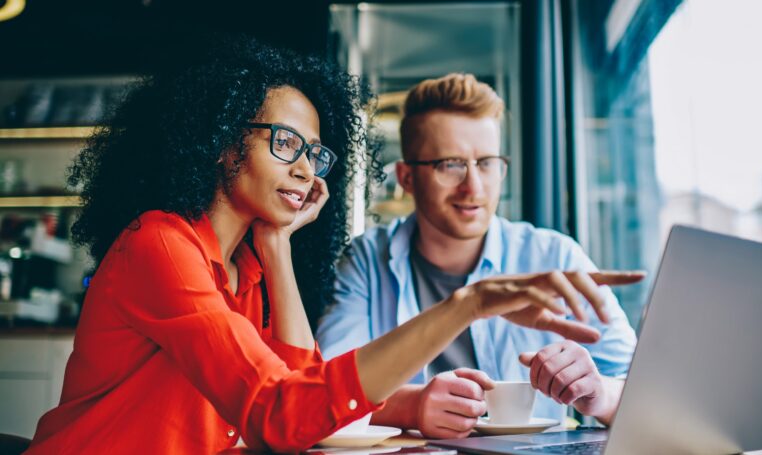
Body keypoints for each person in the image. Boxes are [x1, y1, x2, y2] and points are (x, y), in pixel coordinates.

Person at [23, 39, 640, 454]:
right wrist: (468, 305)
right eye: (285, 143)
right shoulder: (160, 244)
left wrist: (276, 246)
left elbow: (302, 394)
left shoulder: (247, 269)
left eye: (314, 153)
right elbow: (280, 413)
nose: (305, 169)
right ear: (221, 141)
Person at [316, 73, 640, 439]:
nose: (473, 187)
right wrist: (411, 406)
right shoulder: (367, 259)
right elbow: (324, 392)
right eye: (450, 164)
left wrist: (599, 394)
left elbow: (644, 392)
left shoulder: (554, 256)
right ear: (407, 178)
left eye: (486, 163)